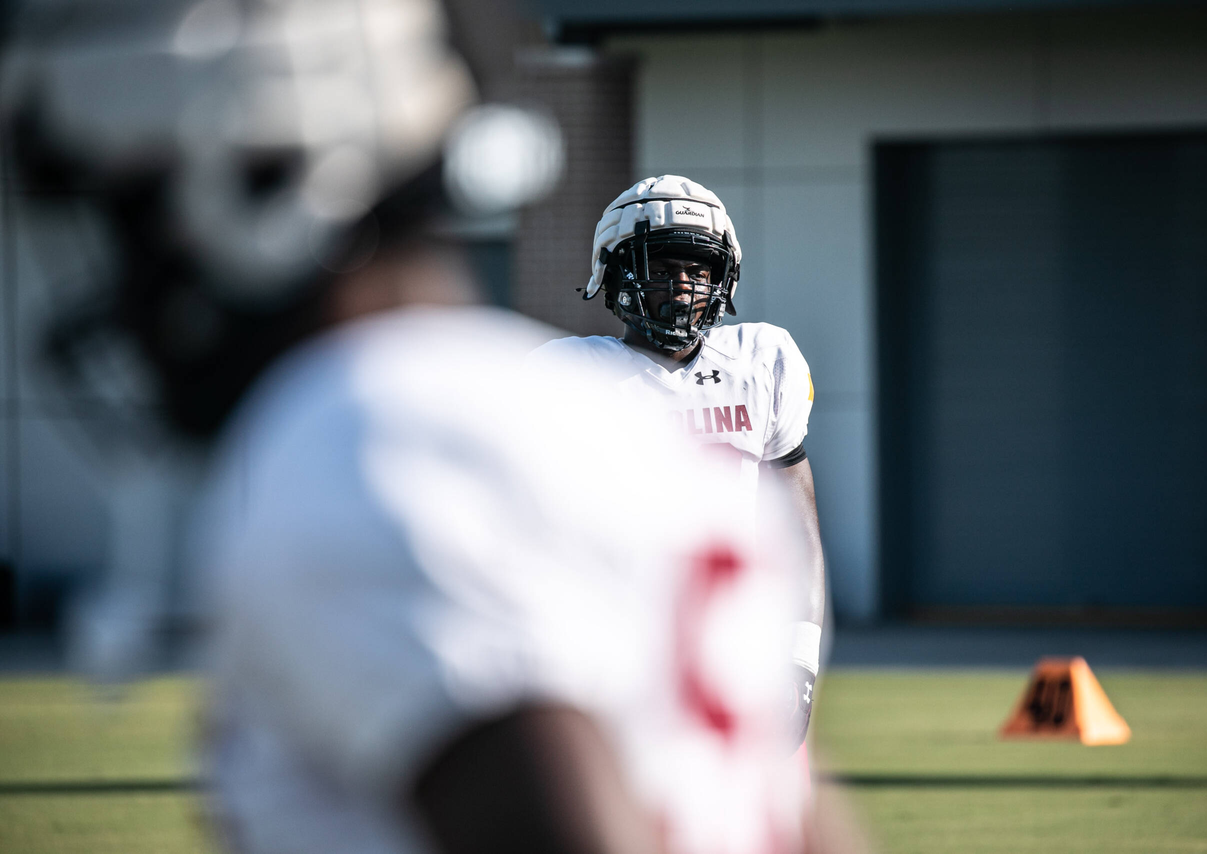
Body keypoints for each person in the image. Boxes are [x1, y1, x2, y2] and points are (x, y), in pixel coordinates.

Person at [2, 3, 822, 854]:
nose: (126, 282)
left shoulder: (370, 446)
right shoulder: (557, 411)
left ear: (258, 190)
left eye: (135, 215)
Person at [529, 175, 827, 753]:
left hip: (730, 647)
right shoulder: (567, 375)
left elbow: (797, 526)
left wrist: (798, 659)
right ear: (613, 275)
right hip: (610, 649)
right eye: (662, 269)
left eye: (698, 270)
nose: (683, 286)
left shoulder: (761, 360)